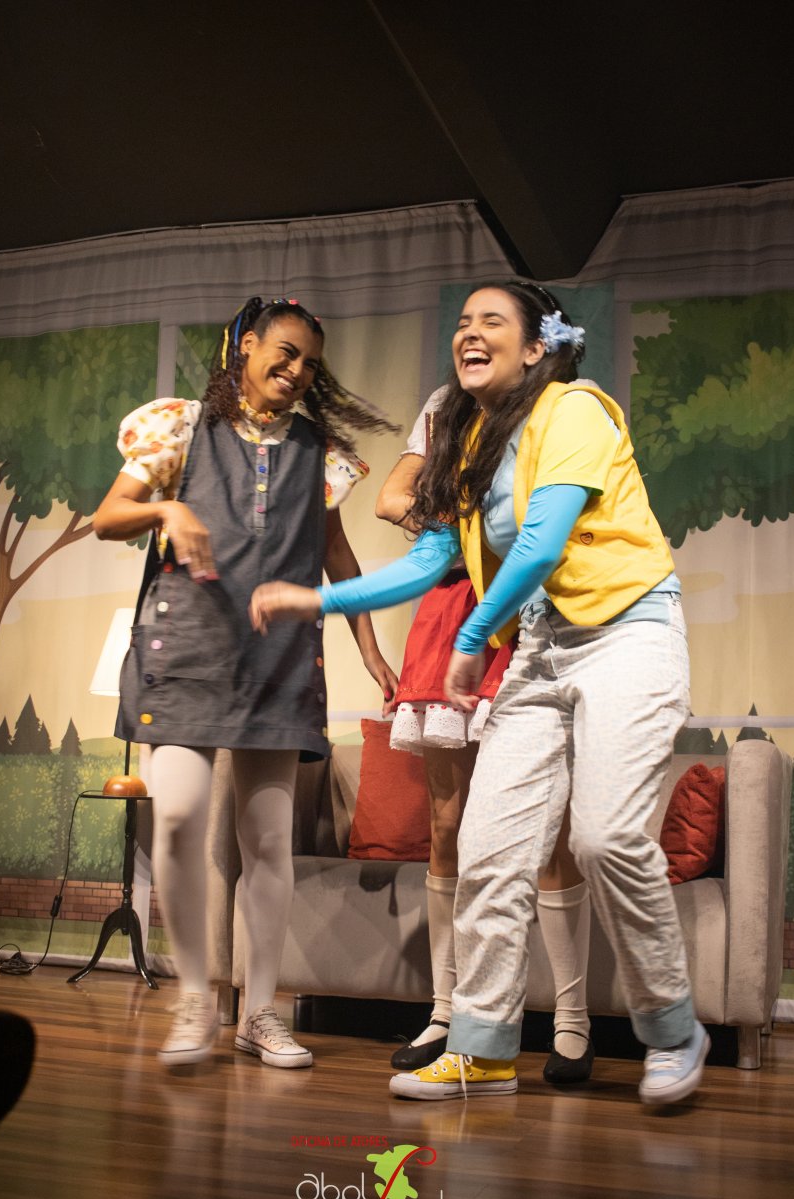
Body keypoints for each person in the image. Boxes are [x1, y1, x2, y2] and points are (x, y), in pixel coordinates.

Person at [250, 280, 708, 1107]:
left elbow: (540, 543)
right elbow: (430, 562)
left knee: (603, 838)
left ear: (534, 348)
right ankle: (484, 1048)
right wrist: (316, 600)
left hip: (628, 635)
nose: (469, 331)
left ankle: (674, 1031)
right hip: (541, 649)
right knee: (490, 849)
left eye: (490, 320)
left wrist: (469, 641)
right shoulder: (468, 443)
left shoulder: (574, 410)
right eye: (462, 321)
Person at [94, 296, 398, 1069]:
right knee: (176, 819)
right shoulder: (180, 428)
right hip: (186, 650)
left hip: (279, 659)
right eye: (285, 353)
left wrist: (370, 649)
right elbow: (107, 517)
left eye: (309, 364)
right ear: (247, 346)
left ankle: (259, 1013)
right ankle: (196, 997)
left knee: (267, 841)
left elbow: (337, 558)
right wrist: (166, 510)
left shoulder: (317, 453)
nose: (296, 372)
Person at [376, 391, 593, 1083]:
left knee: (549, 833)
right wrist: (458, 536)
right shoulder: (445, 404)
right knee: (447, 825)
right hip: (450, 612)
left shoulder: (559, 405)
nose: (478, 343)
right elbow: (389, 497)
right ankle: (447, 1014)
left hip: (532, 612)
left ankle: (571, 1023)